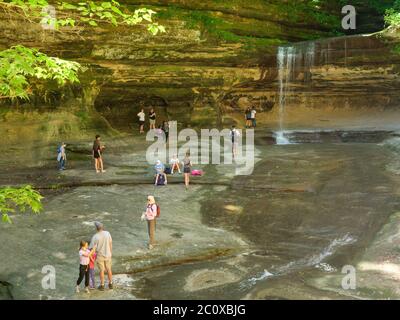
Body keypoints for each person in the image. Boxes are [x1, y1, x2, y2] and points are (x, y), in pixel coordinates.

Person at [90, 222, 113, 291]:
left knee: (102, 271)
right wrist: (110, 253)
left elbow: (91, 248)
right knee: (109, 269)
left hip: (100, 256)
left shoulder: (95, 236)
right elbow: (110, 243)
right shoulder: (107, 233)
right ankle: (110, 284)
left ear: (96, 228)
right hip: (108, 254)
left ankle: (102, 285)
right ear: (102, 227)